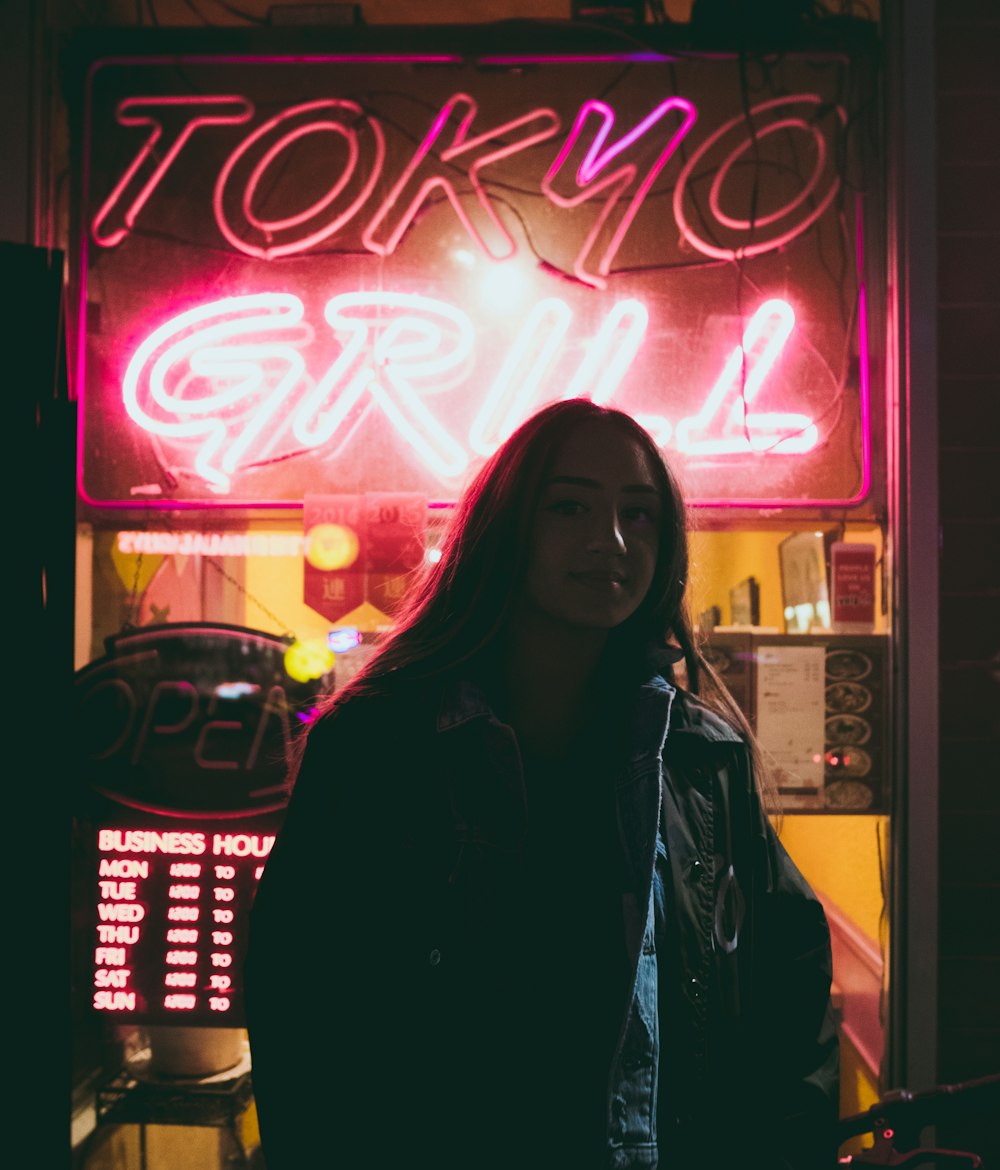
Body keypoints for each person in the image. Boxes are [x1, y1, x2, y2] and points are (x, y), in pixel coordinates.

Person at [243, 398, 840, 1170]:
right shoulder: (379, 744)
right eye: (570, 506)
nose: (611, 541)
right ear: (506, 528)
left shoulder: (700, 756)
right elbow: (301, 1003)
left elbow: (787, 990)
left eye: (641, 513)